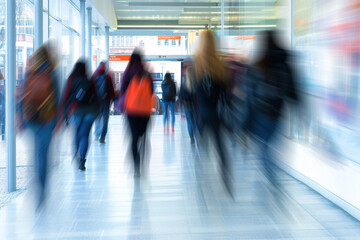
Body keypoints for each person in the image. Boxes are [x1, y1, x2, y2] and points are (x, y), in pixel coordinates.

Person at [243, 30, 298, 192]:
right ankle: (274, 181)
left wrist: (245, 121)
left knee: (263, 150)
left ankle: (275, 183)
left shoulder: (257, 65)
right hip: (277, 115)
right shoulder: (284, 64)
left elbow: (249, 95)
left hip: (259, 115)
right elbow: (291, 90)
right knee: (266, 149)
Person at [18, 44, 60, 207]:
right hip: (47, 119)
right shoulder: (52, 73)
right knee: (43, 154)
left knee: (36, 152)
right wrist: (58, 120)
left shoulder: (30, 72)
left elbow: (21, 97)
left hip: (31, 118)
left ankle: (35, 182)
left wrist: (20, 117)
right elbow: (57, 99)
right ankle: (41, 187)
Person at [193, 30, 232, 194]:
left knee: (202, 144)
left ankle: (199, 182)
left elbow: (195, 91)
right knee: (220, 145)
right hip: (216, 113)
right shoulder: (220, 65)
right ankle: (226, 177)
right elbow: (225, 93)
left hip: (203, 113)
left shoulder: (197, 64)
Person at [118, 51, 153, 178]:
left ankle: (136, 166)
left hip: (131, 110)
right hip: (145, 111)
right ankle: (143, 158)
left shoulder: (128, 72)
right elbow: (151, 90)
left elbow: (122, 91)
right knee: (143, 137)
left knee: (133, 138)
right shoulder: (147, 73)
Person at [60, 60, 99, 171]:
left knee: (77, 134)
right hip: (90, 111)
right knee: (85, 135)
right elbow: (96, 96)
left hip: (76, 111)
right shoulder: (90, 80)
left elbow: (65, 97)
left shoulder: (71, 79)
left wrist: (64, 115)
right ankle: (82, 160)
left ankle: (76, 155)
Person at [92, 61, 115, 143]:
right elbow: (112, 90)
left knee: (97, 117)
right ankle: (102, 137)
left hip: (97, 101)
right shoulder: (108, 76)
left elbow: (90, 89)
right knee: (105, 119)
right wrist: (113, 99)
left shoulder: (94, 75)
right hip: (106, 101)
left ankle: (97, 133)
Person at [180, 67, 197, 143]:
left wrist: (181, 104)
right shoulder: (196, 83)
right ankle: (197, 137)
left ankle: (191, 137)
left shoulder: (184, 84)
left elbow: (181, 95)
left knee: (189, 121)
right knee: (195, 121)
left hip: (186, 106)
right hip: (195, 105)